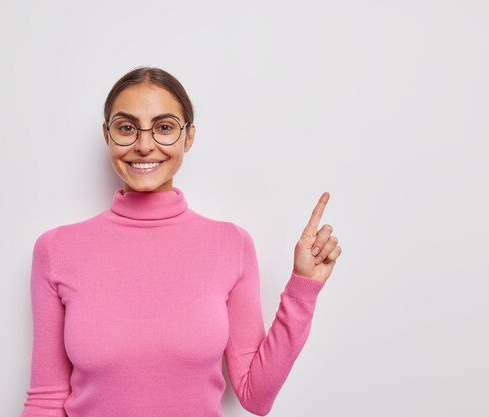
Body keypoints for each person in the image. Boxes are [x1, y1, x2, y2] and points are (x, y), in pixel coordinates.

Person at [20, 66, 342, 417]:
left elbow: (255, 395)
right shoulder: (56, 250)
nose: (144, 145)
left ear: (188, 137)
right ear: (107, 135)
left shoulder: (231, 245)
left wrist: (304, 288)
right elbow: (47, 400)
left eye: (164, 127)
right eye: (127, 128)